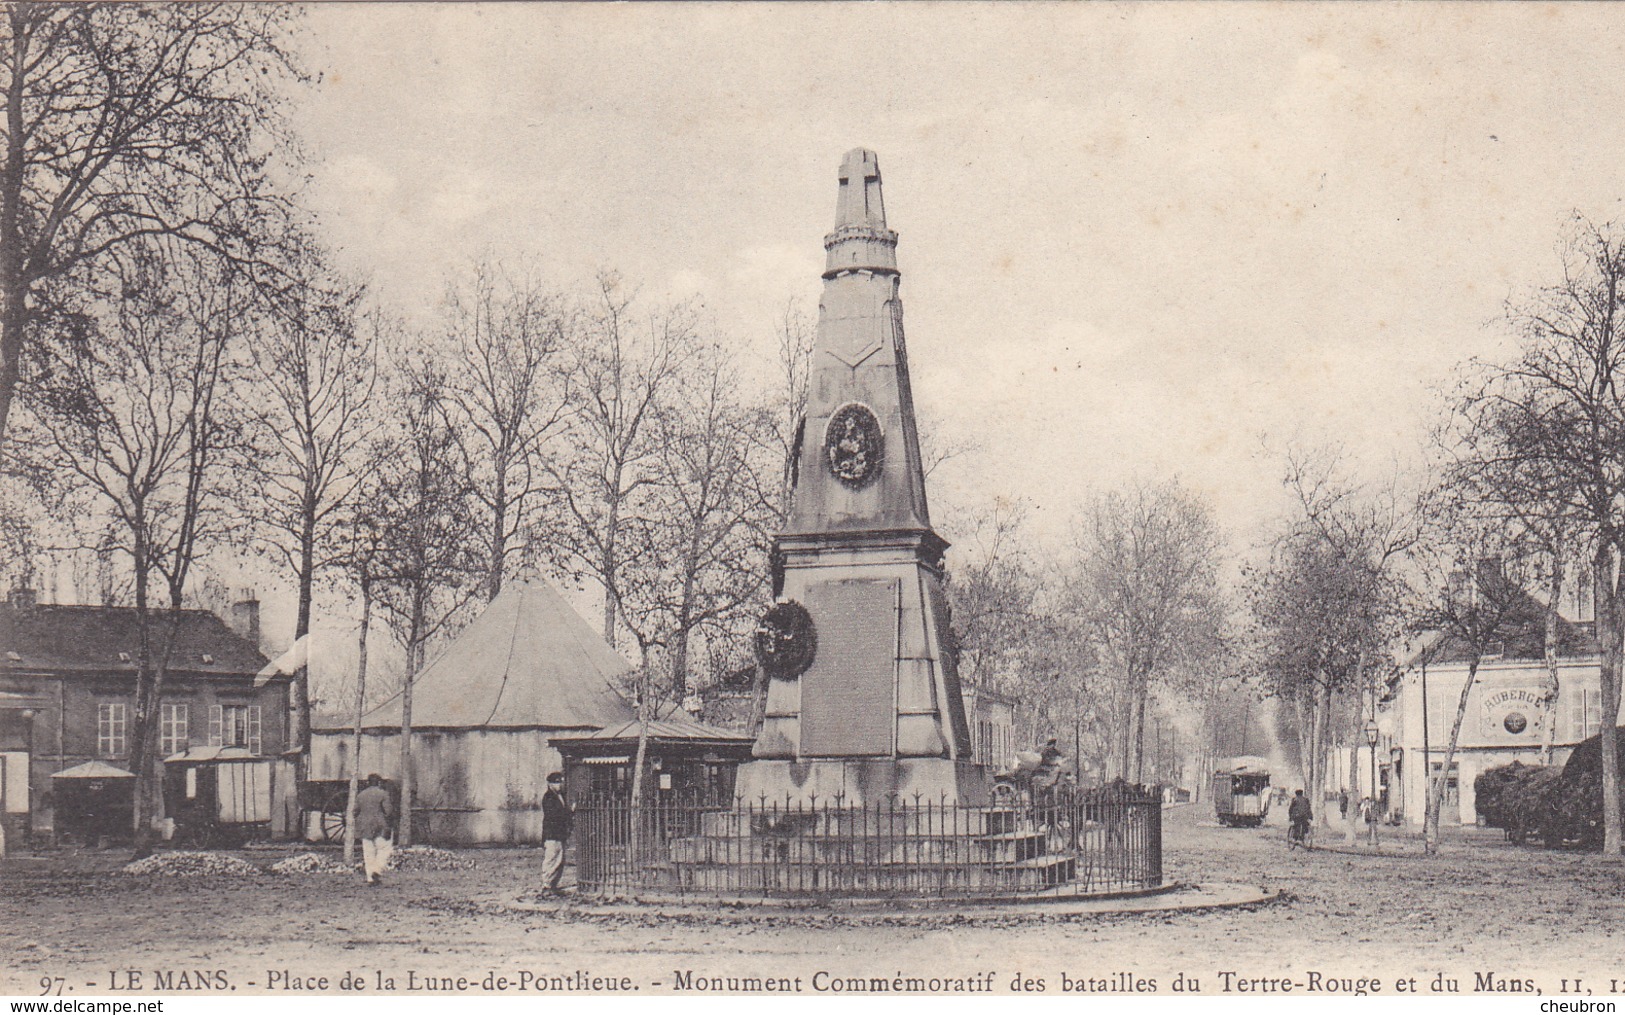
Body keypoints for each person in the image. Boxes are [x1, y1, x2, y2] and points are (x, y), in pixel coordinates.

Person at [355, 774, 394, 886]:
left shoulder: (360, 795)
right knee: (384, 848)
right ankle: (377, 870)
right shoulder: (383, 794)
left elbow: (355, 811)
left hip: (364, 827)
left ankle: (370, 878)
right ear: (379, 783)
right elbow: (388, 811)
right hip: (380, 826)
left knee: (368, 852)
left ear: (368, 783)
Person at [540, 771, 572, 895]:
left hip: (560, 834)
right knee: (551, 859)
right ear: (550, 784)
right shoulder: (548, 797)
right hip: (552, 834)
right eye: (557, 782)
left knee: (559, 860)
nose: (560, 785)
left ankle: (553, 885)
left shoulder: (561, 796)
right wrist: (567, 813)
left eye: (561, 782)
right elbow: (554, 815)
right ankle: (546, 885)